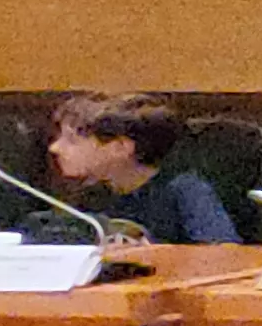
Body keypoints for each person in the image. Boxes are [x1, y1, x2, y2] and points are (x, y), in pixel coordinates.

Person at [43, 93, 239, 244]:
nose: (55, 147)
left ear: (120, 147)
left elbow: (224, 251)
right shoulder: (88, 195)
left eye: (71, 141)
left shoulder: (185, 190)